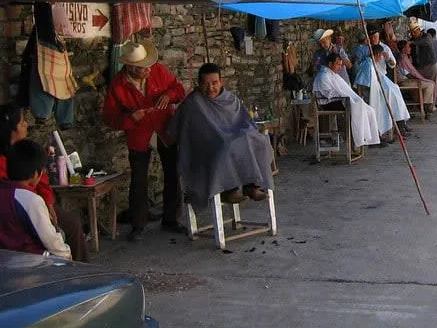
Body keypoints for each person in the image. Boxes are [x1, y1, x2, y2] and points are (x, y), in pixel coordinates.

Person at [102, 40, 186, 242]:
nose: (148, 69)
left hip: (164, 128)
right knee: (138, 179)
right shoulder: (118, 84)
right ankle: (138, 224)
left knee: (172, 173)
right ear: (131, 67)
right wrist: (130, 118)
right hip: (138, 133)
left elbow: (179, 89)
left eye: (148, 65)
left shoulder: (158, 70)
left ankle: (171, 219)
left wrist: (169, 95)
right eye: (142, 67)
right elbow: (110, 117)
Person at [169, 63, 274, 207]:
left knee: (258, 141)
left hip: (232, 139)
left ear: (221, 82)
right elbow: (182, 131)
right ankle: (229, 189)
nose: (211, 88)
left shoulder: (230, 99)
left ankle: (252, 185)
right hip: (207, 149)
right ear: (199, 83)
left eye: (214, 83)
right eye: (206, 84)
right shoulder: (193, 103)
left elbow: (245, 122)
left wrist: (243, 133)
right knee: (226, 145)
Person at [0, 104, 87, 261]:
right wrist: (64, 254)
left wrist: (48, 203)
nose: (26, 125)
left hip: (36, 201)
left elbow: (42, 181)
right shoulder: (5, 162)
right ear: (11, 130)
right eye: (22, 122)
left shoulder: (28, 150)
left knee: (71, 224)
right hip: (16, 207)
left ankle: (84, 268)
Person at [0, 140, 71, 259]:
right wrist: (67, 253)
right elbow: (50, 240)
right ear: (35, 174)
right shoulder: (31, 200)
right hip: (29, 261)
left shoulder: (5, 192)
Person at [313, 52, 381, 147]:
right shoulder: (323, 75)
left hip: (338, 100)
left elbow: (344, 89)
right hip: (328, 103)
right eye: (338, 64)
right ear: (330, 64)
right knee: (358, 108)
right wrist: (346, 96)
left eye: (341, 65)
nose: (340, 67)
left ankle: (369, 139)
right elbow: (328, 94)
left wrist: (351, 96)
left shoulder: (332, 74)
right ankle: (358, 140)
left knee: (369, 110)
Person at [354, 44, 412, 137]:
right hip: (370, 94)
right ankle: (394, 127)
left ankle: (400, 123)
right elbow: (363, 84)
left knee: (395, 92)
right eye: (381, 55)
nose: (381, 57)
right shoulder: (367, 65)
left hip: (376, 92)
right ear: (377, 54)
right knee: (391, 100)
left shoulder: (372, 64)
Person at [396, 40, 436, 113]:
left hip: (408, 80)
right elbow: (408, 74)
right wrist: (419, 79)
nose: (410, 49)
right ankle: (426, 106)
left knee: (429, 83)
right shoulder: (402, 59)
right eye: (408, 47)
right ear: (403, 49)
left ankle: (425, 105)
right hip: (404, 82)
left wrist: (419, 78)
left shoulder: (405, 57)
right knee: (430, 84)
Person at [409, 21, 437, 85]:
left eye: (414, 32)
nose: (413, 34)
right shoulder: (412, 40)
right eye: (411, 33)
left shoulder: (427, 36)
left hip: (430, 67)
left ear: (419, 30)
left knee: (431, 85)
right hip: (419, 68)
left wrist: (411, 42)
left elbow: (424, 42)